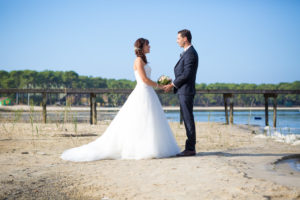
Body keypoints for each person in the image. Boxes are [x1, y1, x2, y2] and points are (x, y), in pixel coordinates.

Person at [60, 38, 180, 162]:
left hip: (148, 92)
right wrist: (159, 85)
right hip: (143, 91)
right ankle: (141, 148)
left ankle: (152, 146)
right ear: (142, 47)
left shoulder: (143, 60)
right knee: (141, 119)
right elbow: (144, 79)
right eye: (147, 45)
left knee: (150, 120)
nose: (149, 46)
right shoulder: (138, 60)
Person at [164, 29, 198, 156]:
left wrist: (172, 84)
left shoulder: (190, 53)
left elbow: (187, 74)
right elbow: (182, 73)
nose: (177, 41)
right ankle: (190, 147)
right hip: (183, 90)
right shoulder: (187, 53)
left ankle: (190, 148)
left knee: (188, 119)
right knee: (187, 118)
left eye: (178, 38)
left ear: (185, 39)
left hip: (186, 91)